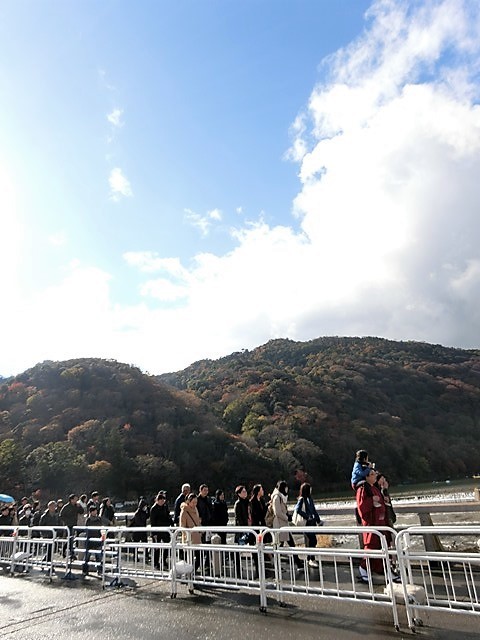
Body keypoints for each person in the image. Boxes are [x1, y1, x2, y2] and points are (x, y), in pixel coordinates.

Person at [356, 467, 399, 583]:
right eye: (372, 474)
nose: (375, 476)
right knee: (371, 549)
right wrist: (371, 501)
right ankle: (363, 569)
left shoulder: (374, 489)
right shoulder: (363, 489)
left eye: (374, 474)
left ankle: (385, 571)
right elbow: (362, 508)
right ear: (366, 477)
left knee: (382, 548)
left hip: (380, 523)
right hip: (372, 524)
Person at [271, 480, 302, 570]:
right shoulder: (277, 497)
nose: (287, 489)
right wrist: (286, 517)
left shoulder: (281, 497)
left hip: (283, 525)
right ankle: (276, 564)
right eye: (286, 487)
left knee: (287, 544)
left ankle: (298, 563)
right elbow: (277, 512)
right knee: (282, 545)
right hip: (279, 525)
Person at [294, 482, 322, 566]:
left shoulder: (310, 498)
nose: (311, 490)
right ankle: (311, 559)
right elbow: (297, 509)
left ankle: (309, 558)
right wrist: (307, 516)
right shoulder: (302, 499)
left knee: (312, 541)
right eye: (309, 488)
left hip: (312, 522)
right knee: (312, 540)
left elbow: (314, 510)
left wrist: (318, 520)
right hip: (307, 523)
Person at [150, 491, 172, 569]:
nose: (162, 502)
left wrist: (171, 524)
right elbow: (152, 521)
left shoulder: (165, 507)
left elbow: (168, 516)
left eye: (163, 500)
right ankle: (156, 563)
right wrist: (154, 534)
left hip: (165, 529)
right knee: (157, 548)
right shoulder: (153, 509)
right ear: (157, 500)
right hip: (157, 530)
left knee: (167, 545)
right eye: (161, 500)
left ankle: (164, 560)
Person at [179, 492, 202, 570]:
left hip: (197, 537)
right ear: (188, 502)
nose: (195, 504)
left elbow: (197, 521)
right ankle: (189, 573)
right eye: (193, 502)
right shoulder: (184, 511)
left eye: (196, 502)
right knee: (190, 558)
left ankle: (192, 571)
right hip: (189, 538)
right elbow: (182, 526)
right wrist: (187, 535)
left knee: (199, 558)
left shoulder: (195, 509)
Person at [60, 494, 84, 558]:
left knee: (71, 539)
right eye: (75, 499)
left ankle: (64, 550)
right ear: (71, 500)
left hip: (74, 524)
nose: (76, 500)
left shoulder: (76, 506)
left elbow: (82, 512)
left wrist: (79, 506)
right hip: (68, 525)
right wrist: (67, 521)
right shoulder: (66, 507)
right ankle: (71, 553)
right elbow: (61, 515)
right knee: (70, 539)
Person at [82, 504, 103, 575]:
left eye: (95, 511)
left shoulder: (99, 519)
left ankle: (99, 570)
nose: (95, 512)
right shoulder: (88, 520)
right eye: (93, 511)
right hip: (89, 539)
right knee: (87, 556)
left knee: (99, 556)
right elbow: (87, 529)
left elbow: (100, 528)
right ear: (90, 512)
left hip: (97, 539)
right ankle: (85, 570)